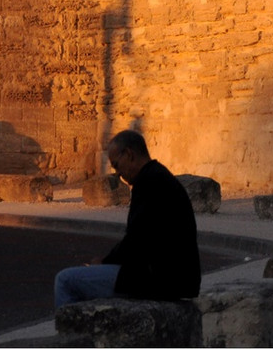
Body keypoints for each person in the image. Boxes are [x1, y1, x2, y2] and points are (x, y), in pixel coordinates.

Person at [53, 130, 201, 308]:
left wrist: (104, 263)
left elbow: (137, 239)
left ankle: (72, 335)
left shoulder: (149, 182)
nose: (117, 174)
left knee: (65, 281)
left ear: (129, 154)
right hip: (177, 278)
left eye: (116, 165)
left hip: (159, 279)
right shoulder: (159, 176)